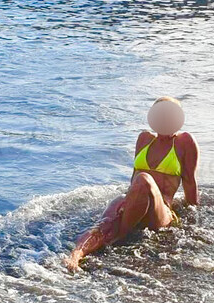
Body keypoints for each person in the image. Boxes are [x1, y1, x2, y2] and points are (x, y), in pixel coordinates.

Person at [64, 96, 199, 272]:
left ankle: (120, 234)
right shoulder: (144, 139)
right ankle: (75, 255)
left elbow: (190, 183)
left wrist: (193, 220)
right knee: (104, 222)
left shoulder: (184, 142)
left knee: (143, 179)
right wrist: (125, 203)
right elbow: (133, 179)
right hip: (136, 199)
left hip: (160, 211)